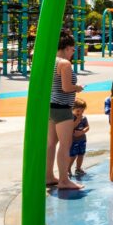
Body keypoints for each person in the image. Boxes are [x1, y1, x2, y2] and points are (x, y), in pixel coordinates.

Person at [47, 32, 85, 190]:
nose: (73, 53)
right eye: (73, 49)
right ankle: (64, 180)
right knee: (65, 144)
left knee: (51, 143)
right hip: (63, 108)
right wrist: (78, 87)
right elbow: (66, 87)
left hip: (50, 107)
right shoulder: (64, 64)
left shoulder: (51, 61)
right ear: (67, 47)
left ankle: (48, 176)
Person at [70, 99, 89, 177]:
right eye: (78, 111)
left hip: (82, 139)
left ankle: (78, 168)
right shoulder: (71, 118)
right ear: (73, 109)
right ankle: (68, 168)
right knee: (73, 155)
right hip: (73, 140)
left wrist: (82, 132)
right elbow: (71, 127)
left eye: (82, 111)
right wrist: (78, 119)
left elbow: (87, 127)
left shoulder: (84, 118)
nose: (80, 113)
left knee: (81, 154)